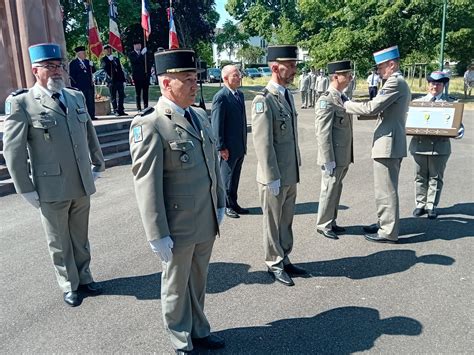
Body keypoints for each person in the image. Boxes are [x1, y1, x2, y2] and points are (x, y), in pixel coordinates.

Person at [129, 49, 226, 354]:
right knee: (175, 284)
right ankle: (180, 337)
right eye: (187, 79)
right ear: (166, 83)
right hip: (178, 224)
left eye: (195, 78)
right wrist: (156, 233)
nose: (195, 84)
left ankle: (199, 328)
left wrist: (220, 201)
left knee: (197, 281)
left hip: (206, 217)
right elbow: (147, 184)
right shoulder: (151, 124)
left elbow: (212, 164)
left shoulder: (197, 115)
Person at [3, 43, 105, 307]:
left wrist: (97, 164)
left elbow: (88, 134)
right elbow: (13, 150)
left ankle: (85, 276)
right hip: (51, 186)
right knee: (59, 240)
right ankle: (69, 284)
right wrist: (25, 188)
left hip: (82, 181)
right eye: (49, 67)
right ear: (36, 70)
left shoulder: (75, 97)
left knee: (80, 236)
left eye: (58, 65)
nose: (56, 71)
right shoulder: (22, 102)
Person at [343, 45, 411, 244]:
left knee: (386, 189)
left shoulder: (394, 83)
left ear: (391, 65)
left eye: (381, 67)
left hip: (388, 143)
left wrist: (346, 103)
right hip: (390, 141)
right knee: (385, 187)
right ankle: (385, 221)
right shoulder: (396, 82)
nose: (378, 71)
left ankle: (388, 230)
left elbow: (372, 107)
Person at [251, 45, 307, 287]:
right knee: (273, 223)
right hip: (273, 175)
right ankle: (274, 263)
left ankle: (284, 257)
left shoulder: (286, 95)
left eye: (295, 64)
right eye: (291, 65)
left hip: (289, 172)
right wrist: (271, 175)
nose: (294, 69)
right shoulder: (263, 100)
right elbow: (263, 143)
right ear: (275, 67)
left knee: (286, 220)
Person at [409, 71, 464, 219]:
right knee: (419, 176)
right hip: (419, 146)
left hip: (440, 147)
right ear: (428, 85)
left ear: (444, 86)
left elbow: (458, 126)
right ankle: (420, 204)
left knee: (436, 177)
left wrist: (458, 132)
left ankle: (431, 205)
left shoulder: (451, 104)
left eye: (439, 84)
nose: (435, 86)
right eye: (432, 83)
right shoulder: (417, 102)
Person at [315, 60, 354, 240]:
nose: (350, 78)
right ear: (335, 77)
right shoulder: (326, 100)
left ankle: (332, 220)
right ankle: (323, 224)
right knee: (329, 189)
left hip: (343, 155)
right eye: (346, 75)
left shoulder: (342, 97)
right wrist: (327, 159)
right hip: (333, 156)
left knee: (336, 188)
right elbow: (322, 133)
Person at [211, 65, 248, 219]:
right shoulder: (221, 97)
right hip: (228, 147)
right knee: (226, 178)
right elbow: (217, 124)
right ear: (225, 78)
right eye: (235, 75)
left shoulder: (239, 95)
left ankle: (234, 203)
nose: (239, 78)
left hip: (239, 145)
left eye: (239, 75)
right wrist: (221, 147)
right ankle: (226, 205)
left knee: (235, 177)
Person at [69, 46, 96, 119]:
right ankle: (83, 116)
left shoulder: (87, 62)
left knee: (90, 101)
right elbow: (72, 76)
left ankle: (92, 115)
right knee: (81, 102)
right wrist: (75, 86)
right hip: (80, 86)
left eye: (85, 53)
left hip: (89, 85)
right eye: (83, 53)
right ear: (78, 54)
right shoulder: (73, 63)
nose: (85, 54)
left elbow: (93, 71)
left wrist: (92, 65)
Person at [100, 44, 127, 116]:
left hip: (119, 80)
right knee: (113, 96)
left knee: (121, 95)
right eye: (107, 50)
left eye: (110, 49)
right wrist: (110, 61)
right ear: (104, 51)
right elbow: (105, 68)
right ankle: (116, 110)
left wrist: (123, 80)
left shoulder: (116, 59)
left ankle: (121, 109)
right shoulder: (104, 59)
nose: (109, 51)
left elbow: (120, 70)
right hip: (111, 80)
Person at [128, 40, 150, 111]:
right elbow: (135, 61)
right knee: (138, 93)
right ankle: (139, 108)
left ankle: (146, 106)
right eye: (137, 44)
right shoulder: (131, 54)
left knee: (145, 92)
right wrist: (141, 54)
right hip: (137, 76)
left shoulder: (145, 54)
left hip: (145, 76)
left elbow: (148, 63)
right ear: (134, 46)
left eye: (140, 44)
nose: (139, 46)